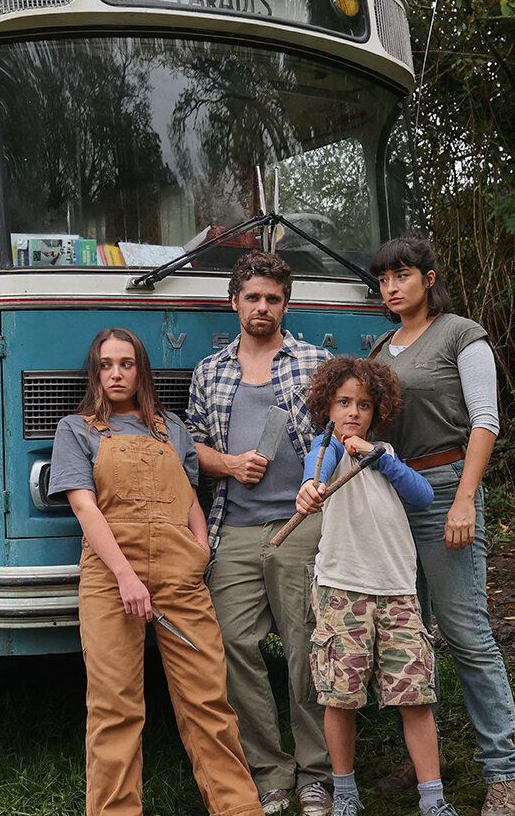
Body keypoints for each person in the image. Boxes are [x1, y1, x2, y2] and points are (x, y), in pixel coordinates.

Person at [51, 327, 263, 816]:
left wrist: (199, 550)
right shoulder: (76, 429)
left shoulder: (172, 428)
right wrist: (126, 576)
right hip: (111, 579)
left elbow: (189, 497)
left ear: (140, 371)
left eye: (126, 364)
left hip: (179, 574)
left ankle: (238, 808)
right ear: (95, 373)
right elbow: (85, 508)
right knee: (115, 706)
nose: (116, 374)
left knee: (208, 700)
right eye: (106, 365)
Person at [368, 235, 515, 816]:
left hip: (444, 488)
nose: (391, 288)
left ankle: (502, 772)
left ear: (428, 279)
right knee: (408, 635)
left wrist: (464, 500)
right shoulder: (380, 347)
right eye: (384, 279)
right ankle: (423, 757)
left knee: (465, 634)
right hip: (392, 495)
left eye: (402, 275)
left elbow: (485, 421)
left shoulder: (461, 334)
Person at [186, 250, 333, 816]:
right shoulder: (209, 371)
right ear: (234, 303)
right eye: (253, 297)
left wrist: (316, 480)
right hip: (235, 527)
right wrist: (228, 464)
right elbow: (191, 447)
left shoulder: (315, 361)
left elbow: (338, 434)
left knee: (305, 647)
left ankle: (317, 774)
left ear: (285, 305)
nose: (263, 307)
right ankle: (271, 772)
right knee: (231, 646)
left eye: (273, 298)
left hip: (301, 525)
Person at [291, 357, 452, 816]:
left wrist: (376, 457)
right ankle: (345, 794)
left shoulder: (385, 454)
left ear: (376, 411)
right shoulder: (324, 449)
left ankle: (433, 799)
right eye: (343, 402)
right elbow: (315, 473)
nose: (353, 412)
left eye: (363, 405)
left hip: (397, 589)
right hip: (343, 589)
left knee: (414, 696)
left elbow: (423, 495)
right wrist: (309, 488)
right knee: (341, 698)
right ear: (327, 406)